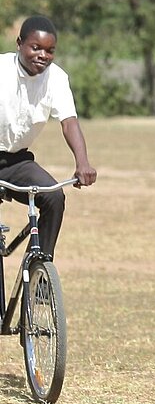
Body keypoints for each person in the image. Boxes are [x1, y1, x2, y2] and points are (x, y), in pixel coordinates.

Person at [0, 15, 96, 257]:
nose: (42, 55)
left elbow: (69, 121)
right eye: (35, 48)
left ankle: (40, 270)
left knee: (53, 196)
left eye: (50, 50)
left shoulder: (56, 78)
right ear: (19, 43)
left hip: (17, 162)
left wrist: (82, 162)